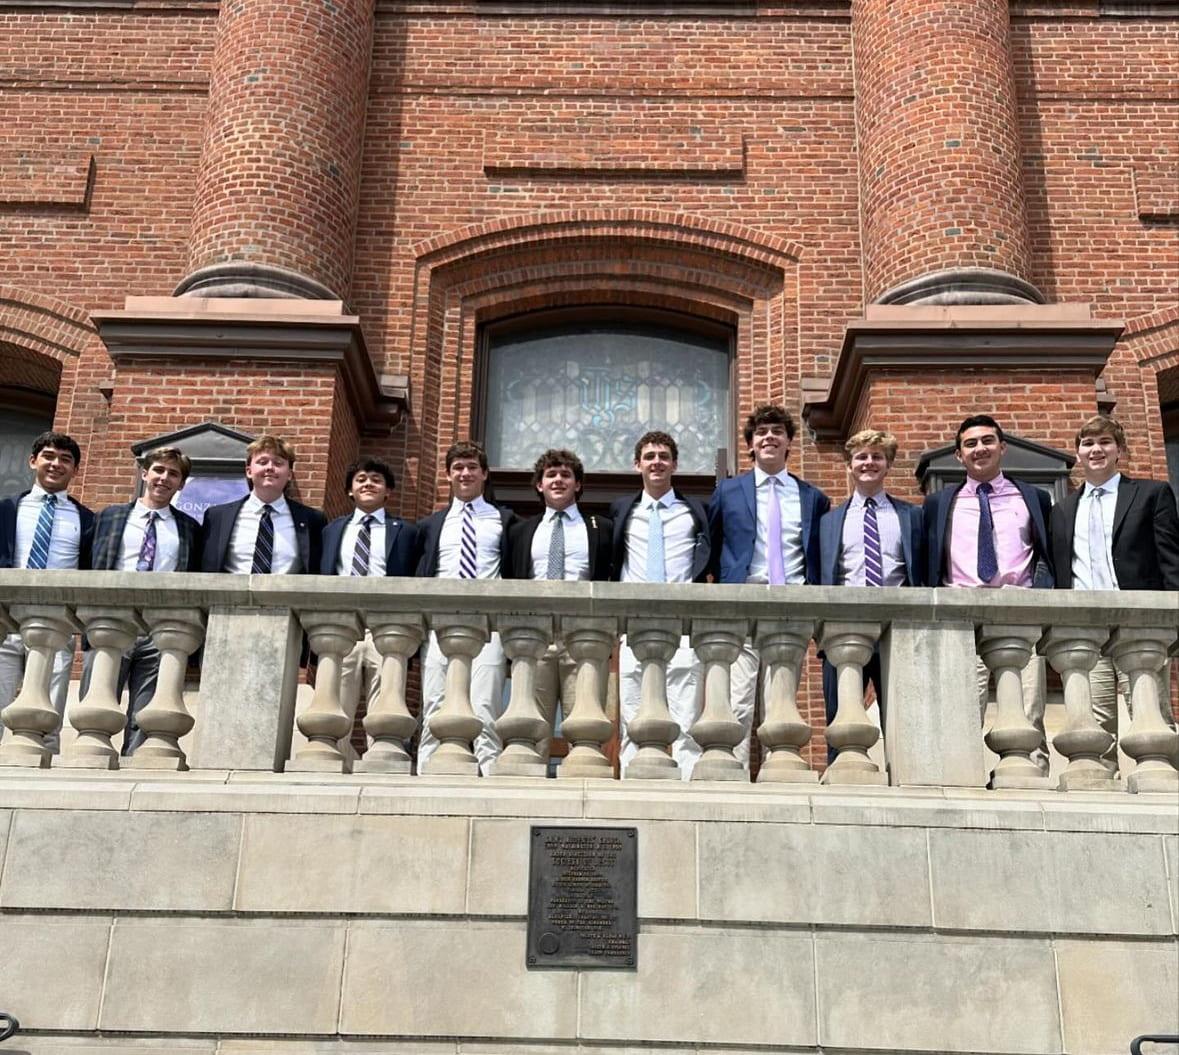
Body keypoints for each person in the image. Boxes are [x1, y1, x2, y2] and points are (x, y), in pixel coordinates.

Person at [923, 414, 1053, 773]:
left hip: (1020, 613)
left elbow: (1046, 553)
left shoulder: (1032, 498)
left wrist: (1039, 596)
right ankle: (962, 779)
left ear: (1002, 447)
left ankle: (1033, 779)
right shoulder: (939, 504)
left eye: (987, 441)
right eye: (970, 443)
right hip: (962, 615)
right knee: (962, 708)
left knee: (1029, 710)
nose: (980, 448)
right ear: (958, 455)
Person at [707, 404, 830, 768]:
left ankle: (782, 773)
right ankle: (733, 775)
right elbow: (712, 547)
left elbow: (817, 554)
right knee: (737, 701)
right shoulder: (728, 492)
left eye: (777, 432)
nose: (769, 438)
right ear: (751, 444)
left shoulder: (812, 498)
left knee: (781, 701)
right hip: (742, 601)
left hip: (790, 604)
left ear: (790, 442)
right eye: (761, 433)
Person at [1050, 414, 1179, 757]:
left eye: (1105, 442)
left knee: (1152, 714)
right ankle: (1100, 784)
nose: (1096, 450)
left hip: (1140, 624)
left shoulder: (1151, 494)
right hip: (1086, 628)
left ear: (1119, 450)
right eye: (1088, 443)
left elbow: (1170, 559)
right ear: (1078, 453)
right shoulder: (1062, 510)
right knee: (1094, 721)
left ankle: (1165, 790)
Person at [84, 446, 200, 755]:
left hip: (159, 632)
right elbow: (89, 567)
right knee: (97, 702)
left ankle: (133, 764)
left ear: (181, 484)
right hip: (111, 623)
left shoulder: (189, 528)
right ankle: (91, 762)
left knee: (146, 714)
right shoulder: (109, 517)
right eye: (159, 470)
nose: (164, 478)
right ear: (144, 473)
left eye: (173, 474)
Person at [610, 431, 710, 779]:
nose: (657, 462)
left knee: (686, 715)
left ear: (674, 464)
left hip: (682, 628)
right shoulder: (623, 511)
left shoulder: (694, 511)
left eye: (664, 456)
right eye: (649, 456)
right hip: (635, 627)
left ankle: (685, 787)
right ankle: (632, 784)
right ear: (637, 464)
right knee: (632, 714)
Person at [819, 429, 923, 760]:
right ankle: (840, 778)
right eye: (861, 457)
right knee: (841, 718)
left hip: (898, 629)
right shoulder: (829, 522)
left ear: (888, 464)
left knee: (905, 719)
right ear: (849, 465)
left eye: (877, 456)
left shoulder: (911, 516)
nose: (869, 462)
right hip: (845, 628)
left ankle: (906, 780)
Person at [507, 448, 612, 765]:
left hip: (583, 638)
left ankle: (583, 795)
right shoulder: (521, 531)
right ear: (539, 484)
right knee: (529, 728)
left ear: (577, 484)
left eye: (565, 475)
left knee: (585, 727)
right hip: (534, 639)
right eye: (550, 475)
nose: (558, 480)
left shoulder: (601, 528)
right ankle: (528, 794)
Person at [414, 440, 514, 774]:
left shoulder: (505, 521)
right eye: (458, 467)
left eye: (472, 467)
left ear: (484, 474)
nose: (465, 473)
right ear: (448, 475)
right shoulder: (431, 525)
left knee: (485, 707)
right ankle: (429, 775)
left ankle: (487, 778)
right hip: (440, 625)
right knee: (434, 705)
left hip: (489, 628)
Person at [0, 431, 95, 754]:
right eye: (49, 456)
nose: (56, 464)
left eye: (65, 460)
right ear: (33, 461)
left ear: (75, 470)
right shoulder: (7, 510)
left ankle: (46, 761)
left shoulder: (86, 520)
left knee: (49, 709)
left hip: (58, 625)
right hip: (6, 622)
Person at [320, 457, 418, 751]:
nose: (368, 484)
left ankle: (380, 767)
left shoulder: (406, 532)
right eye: (361, 479)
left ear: (388, 491)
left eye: (376, 480)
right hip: (342, 630)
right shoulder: (331, 531)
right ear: (350, 490)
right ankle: (333, 769)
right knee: (334, 708)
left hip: (386, 631)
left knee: (386, 709)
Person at [199, 435, 325, 575]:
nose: (270, 468)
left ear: (289, 474)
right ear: (249, 471)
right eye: (262, 462)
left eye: (278, 463)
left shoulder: (313, 520)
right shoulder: (217, 517)